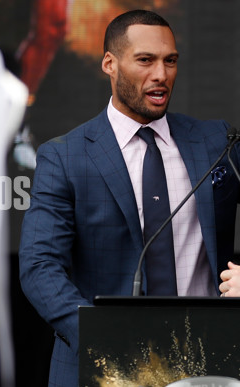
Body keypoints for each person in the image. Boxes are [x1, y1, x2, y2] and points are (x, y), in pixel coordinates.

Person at [19, 9, 240, 386]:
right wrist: (103, 338)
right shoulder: (66, 156)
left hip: (210, 361)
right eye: (145, 60)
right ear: (110, 63)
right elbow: (40, 266)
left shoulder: (217, 141)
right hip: (102, 365)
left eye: (170, 61)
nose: (161, 75)